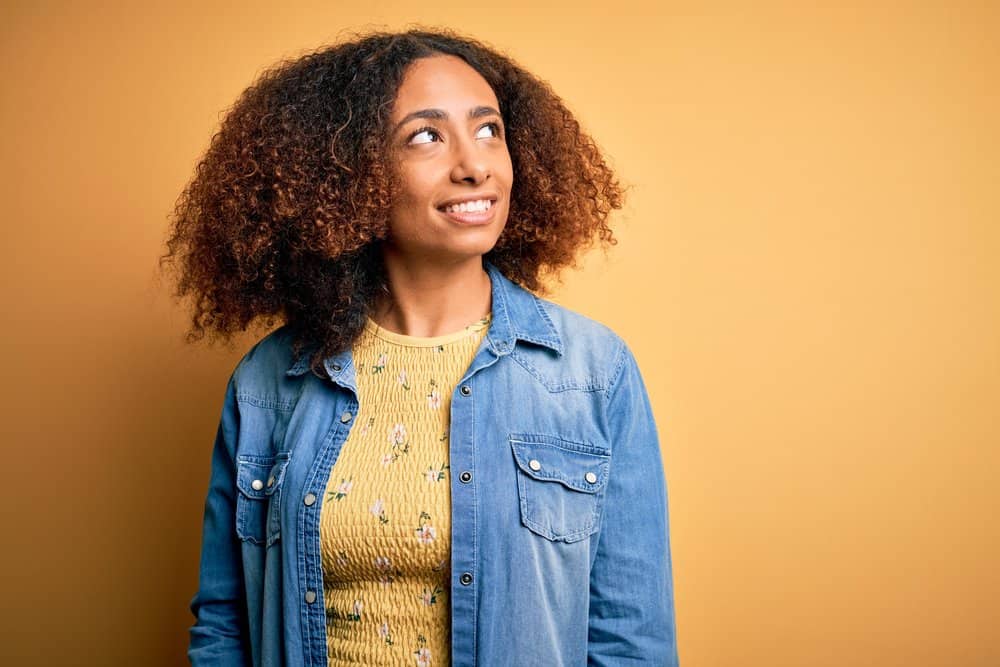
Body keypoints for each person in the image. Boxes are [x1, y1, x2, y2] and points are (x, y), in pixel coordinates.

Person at [164, 27, 679, 666]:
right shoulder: (270, 382)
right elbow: (224, 628)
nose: (475, 164)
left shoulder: (592, 373)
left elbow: (631, 641)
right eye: (426, 136)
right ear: (348, 176)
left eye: (489, 129)